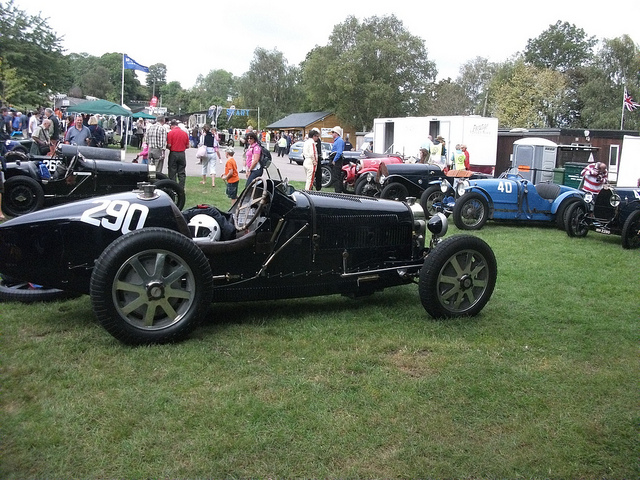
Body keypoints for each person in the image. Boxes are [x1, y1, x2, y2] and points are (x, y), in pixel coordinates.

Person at [166, 119, 189, 188]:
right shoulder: (184, 133)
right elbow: (187, 146)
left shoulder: (170, 133)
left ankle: (173, 187)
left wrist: (167, 147)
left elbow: (169, 145)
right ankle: (181, 187)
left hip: (173, 153)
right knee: (181, 171)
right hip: (182, 153)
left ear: (172, 126)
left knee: (172, 171)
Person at [329, 126, 345, 193]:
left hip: (337, 160)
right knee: (335, 176)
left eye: (333, 132)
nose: (332, 134)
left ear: (336, 133)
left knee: (336, 177)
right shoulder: (337, 141)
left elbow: (339, 152)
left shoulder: (339, 141)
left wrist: (334, 160)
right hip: (335, 158)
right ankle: (337, 191)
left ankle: (338, 192)